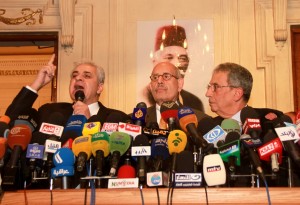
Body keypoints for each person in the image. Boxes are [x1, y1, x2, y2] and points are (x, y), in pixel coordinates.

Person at [205, 62, 299, 187]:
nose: (208, 93)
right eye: (209, 86)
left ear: (237, 93)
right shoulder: (208, 128)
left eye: (215, 87)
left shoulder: (271, 120)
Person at [5, 54, 130, 127]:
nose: (78, 78)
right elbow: (11, 119)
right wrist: (37, 84)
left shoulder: (117, 119)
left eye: (86, 76)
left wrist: (89, 122)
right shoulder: (49, 112)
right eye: (74, 75)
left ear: (99, 87)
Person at [143, 24, 204, 111]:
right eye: (169, 57)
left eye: (182, 58)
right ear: (155, 62)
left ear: (180, 83)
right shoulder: (141, 107)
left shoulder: (194, 103)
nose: (176, 63)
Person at [145, 61, 208, 129]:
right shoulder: (135, 121)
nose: (159, 81)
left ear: (179, 84)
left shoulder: (201, 119)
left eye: (166, 76)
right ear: (151, 86)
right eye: (155, 78)